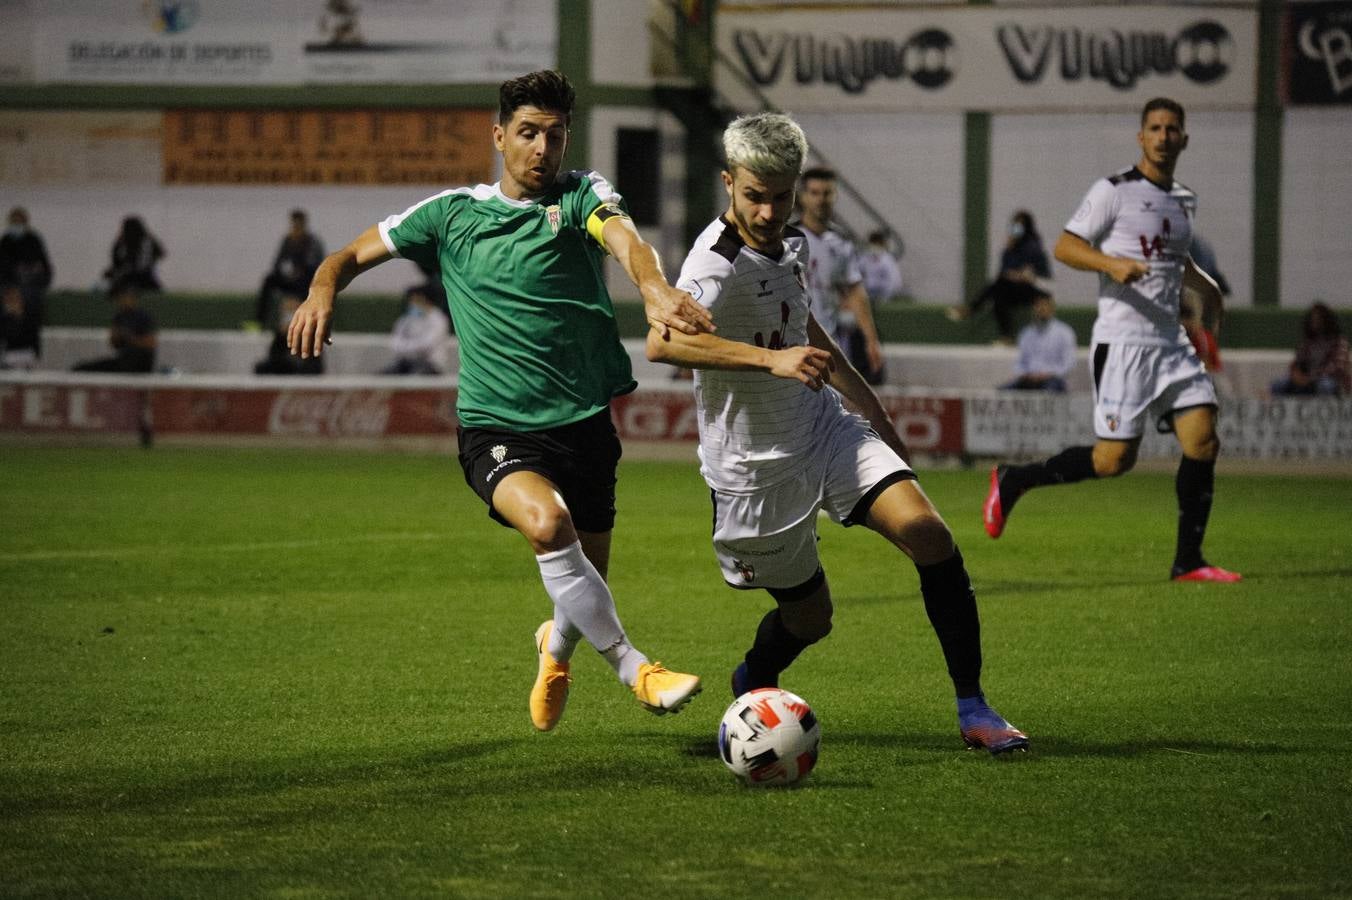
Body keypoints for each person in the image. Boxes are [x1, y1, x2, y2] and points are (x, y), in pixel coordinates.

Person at [287, 70, 707, 732]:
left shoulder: (580, 195)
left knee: (581, 587)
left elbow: (625, 240)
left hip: (586, 425)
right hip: (496, 429)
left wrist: (653, 288)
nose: (543, 149)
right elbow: (346, 254)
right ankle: (636, 667)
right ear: (499, 136)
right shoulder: (451, 214)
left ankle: (556, 649)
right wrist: (321, 289)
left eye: (556, 134)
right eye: (529, 133)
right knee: (547, 527)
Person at [648, 111, 1029, 755]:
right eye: (753, 196)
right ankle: (755, 676)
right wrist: (771, 359)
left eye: (780, 196)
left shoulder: (792, 243)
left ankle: (974, 706)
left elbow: (805, 328)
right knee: (810, 619)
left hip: (824, 430)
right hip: (753, 469)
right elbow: (662, 346)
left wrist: (873, 412)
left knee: (930, 535)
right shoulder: (714, 265)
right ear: (727, 184)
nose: (768, 212)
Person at [983, 97, 1240, 584]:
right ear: (1141, 137)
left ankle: (1189, 560)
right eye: (1155, 128)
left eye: (1172, 129)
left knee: (1203, 438)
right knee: (1112, 461)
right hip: (1124, 344)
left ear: (1184, 138)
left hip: (1171, 343)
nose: (1164, 136)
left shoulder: (1184, 199)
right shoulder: (1114, 191)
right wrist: (1111, 264)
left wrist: (1205, 288)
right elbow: (1065, 246)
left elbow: (1174, 260)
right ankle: (1015, 479)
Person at [795, 167, 885, 385]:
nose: (821, 200)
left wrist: (871, 340)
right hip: (792, 342)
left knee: (831, 410)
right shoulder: (788, 239)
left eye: (827, 193)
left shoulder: (842, 242)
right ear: (803, 197)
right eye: (814, 193)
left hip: (828, 342)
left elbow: (855, 290)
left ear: (835, 196)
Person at [949, 210, 1052, 345]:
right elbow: (1005, 271)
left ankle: (971, 309)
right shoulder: (1009, 248)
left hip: (1032, 290)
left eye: (1020, 225)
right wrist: (1009, 250)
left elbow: (1037, 274)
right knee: (998, 296)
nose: (1016, 229)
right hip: (1011, 288)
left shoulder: (1032, 246)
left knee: (998, 285)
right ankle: (1006, 337)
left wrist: (1020, 275)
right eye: (1015, 225)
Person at [254, 209, 326, 329]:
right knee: (269, 280)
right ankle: (259, 321)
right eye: (294, 224)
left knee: (310, 281)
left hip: (306, 281)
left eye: (299, 224)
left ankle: (309, 320)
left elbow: (316, 266)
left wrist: (299, 272)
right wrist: (286, 274)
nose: (296, 227)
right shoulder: (287, 241)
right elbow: (278, 264)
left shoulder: (312, 242)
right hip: (289, 279)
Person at [0, 207, 53, 357]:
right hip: (10, 291)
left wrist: (33, 280)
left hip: (31, 293)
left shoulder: (33, 241)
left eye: (19, 222)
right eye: (14, 222)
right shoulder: (5, 242)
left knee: (29, 326)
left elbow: (45, 269)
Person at [1269, 301, 1350, 397]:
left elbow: (1338, 367)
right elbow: (1297, 362)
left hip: (1330, 379)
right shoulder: (1308, 343)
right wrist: (1296, 374)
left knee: (1326, 386)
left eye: (1318, 320)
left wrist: (1312, 377)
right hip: (1306, 378)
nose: (1315, 323)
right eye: (1313, 320)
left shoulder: (1339, 341)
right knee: (1278, 385)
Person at [72, 283, 158, 373]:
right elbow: (114, 344)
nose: (121, 300)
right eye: (119, 297)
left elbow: (151, 343)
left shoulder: (143, 317)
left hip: (140, 363)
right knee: (81, 369)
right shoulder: (119, 317)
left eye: (124, 296)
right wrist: (116, 336)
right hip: (124, 360)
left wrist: (130, 337)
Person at [1001, 290, 1076, 392]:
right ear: (1034, 308)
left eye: (1045, 305)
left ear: (1052, 308)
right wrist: (1027, 374)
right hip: (1029, 379)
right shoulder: (1026, 333)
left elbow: (1068, 364)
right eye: (1038, 305)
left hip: (1053, 380)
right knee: (1003, 392)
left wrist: (1047, 374)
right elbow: (1019, 363)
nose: (1042, 309)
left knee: (1048, 391)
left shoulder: (1064, 332)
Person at [381, 284, 451, 375]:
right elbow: (394, 341)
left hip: (431, 365)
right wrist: (409, 347)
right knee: (385, 375)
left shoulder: (438, 320)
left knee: (414, 377)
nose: (413, 303)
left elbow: (427, 345)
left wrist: (406, 346)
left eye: (417, 300)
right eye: (411, 300)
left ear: (426, 300)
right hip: (407, 362)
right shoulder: (407, 319)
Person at [255, 293, 322, 375]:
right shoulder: (280, 338)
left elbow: (315, 367)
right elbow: (274, 360)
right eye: (286, 314)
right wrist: (282, 336)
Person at [103, 216, 165, 294]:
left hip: (141, 276)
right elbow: (116, 261)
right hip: (137, 275)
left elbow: (142, 264)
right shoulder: (123, 242)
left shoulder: (145, 241)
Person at [858, 229, 903, 307]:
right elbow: (856, 273)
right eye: (873, 243)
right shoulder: (864, 258)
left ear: (883, 245)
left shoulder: (888, 260)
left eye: (877, 244)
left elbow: (893, 281)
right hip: (867, 293)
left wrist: (885, 298)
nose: (874, 246)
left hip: (884, 294)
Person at [0, 282, 40, 369]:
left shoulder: (28, 317)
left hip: (26, 354)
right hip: (11, 354)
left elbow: (34, 336)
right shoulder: (5, 318)